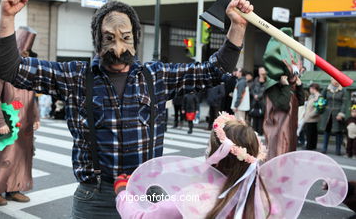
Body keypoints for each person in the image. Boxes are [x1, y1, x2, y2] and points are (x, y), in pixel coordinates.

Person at [0, 0, 252, 218]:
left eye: (125, 37)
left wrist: (237, 26)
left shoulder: (156, 77)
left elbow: (215, 71)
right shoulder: (74, 77)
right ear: (96, 39)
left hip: (147, 195)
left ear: (136, 38)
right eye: (109, 38)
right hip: (95, 198)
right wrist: (7, 18)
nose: (118, 48)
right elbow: (10, 69)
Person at [114, 112, 348, 218]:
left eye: (209, 148)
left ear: (217, 155)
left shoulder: (194, 196)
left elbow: (140, 217)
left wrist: (123, 191)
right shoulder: (266, 199)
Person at [0, 27, 40, 206]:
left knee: (21, 157)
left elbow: (31, 96)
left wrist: (36, 117)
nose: (26, 54)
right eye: (24, 50)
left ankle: (14, 189)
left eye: (28, 51)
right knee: (1, 157)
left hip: (25, 123)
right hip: (6, 121)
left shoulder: (29, 70)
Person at [262, 27, 305, 160]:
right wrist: (286, 86)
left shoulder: (292, 83)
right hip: (278, 133)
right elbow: (283, 105)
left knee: (288, 157)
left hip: (290, 131)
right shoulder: (273, 85)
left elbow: (301, 101)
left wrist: (299, 86)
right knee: (277, 158)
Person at [319, 78, 347, 155]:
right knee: (326, 131)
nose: (336, 81)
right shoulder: (326, 89)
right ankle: (324, 148)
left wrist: (341, 113)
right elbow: (321, 98)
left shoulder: (343, 90)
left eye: (337, 80)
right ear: (331, 80)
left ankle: (338, 150)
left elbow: (344, 103)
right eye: (334, 80)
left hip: (337, 114)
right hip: (327, 114)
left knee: (338, 132)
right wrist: (320, 107)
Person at [250, 66, 266, 135]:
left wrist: (259, 96)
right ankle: (255, 132)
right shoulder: (256, 79)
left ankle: (260, 132)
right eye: (259, 71)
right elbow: (252, 89)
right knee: (254, 116)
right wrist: (254, 95)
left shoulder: (267, 80)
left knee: (261, 117)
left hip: (262, 101)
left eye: (262, 70)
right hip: (255, 101)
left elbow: (265, 91)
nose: (260, 72)